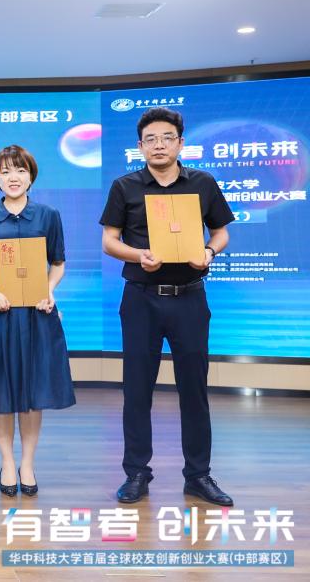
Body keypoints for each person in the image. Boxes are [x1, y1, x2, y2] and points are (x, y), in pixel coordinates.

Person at [100, 107, 234, 506]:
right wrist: (138, 255)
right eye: (151, 140)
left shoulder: (203, 183)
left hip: (190, 297)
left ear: (180, 143)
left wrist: (209, 252)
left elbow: (221, 232)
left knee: (194, 389)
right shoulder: (125, 186)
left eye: (167, 138)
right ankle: (136, 473)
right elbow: (109, 241)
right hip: (140, 298)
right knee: (137, 389)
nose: (159, 145)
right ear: (140, 146)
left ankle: (199, 475)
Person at [0, 145, 75, 497]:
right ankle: (7, 462)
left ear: (31, 177)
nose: (13, 177)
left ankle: (27, 462)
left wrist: (49, 290)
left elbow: (58, 263)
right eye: (5, 171)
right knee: (0, 388)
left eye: (20, 170)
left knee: (33, 389)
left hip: (37, 313)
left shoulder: (48, 216)